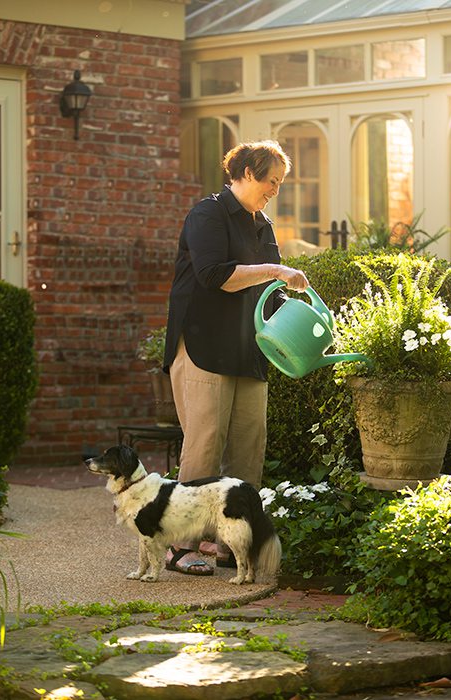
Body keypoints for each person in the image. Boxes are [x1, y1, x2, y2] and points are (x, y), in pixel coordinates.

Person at [163, 140, 309, 575]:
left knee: (248, 450)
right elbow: (214, 276)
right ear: (245, 172)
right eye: (270, 181)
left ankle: (231, 542)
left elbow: (272, 293)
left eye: (280, 184)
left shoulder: (262, 225)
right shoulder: (206, 214)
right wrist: (277, 271)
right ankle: (179, 546)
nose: (274, 191)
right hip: (205, 344)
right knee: (204, 447)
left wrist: (297, 320)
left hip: (250, 350)